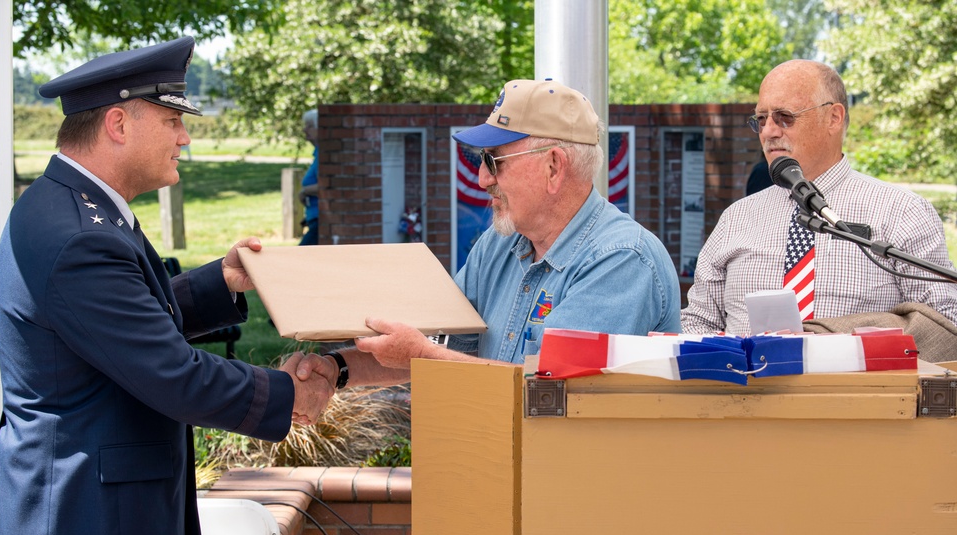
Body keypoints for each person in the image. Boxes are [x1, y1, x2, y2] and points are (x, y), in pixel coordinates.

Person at [0, 37, 335, 535]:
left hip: (96, 527)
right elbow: (168, 372)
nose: (185, 138)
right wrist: (289, 395)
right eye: (172, 120)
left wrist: (219, 281)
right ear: (119, 123)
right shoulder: (80, 233)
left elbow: (123, 324)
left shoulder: (73, 209)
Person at [290, 78, 681, 390]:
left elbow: (548, 392)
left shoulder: (621, 259)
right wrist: (334, 370)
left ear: (553, 168)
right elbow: (441, 347)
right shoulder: (500, 244)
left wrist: (421, 355)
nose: (481, 179)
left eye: (494, 161)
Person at [682, 59, 957, 335]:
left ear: (833, 118)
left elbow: (942, 325)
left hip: (855, 378)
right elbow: (698, 322)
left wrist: (836, 336)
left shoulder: (901, 211)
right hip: (747, 377)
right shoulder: (736, 218)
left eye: (784, 117)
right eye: (761, 119)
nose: (768, 132)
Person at [298, 108, 320, 245]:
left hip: (321, 221)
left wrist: (304, 192)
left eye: (310, 126)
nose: (305, 130)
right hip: (314, 220)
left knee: (297, 259)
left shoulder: (324, 155)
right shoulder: (317, 153)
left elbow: (327, 187)